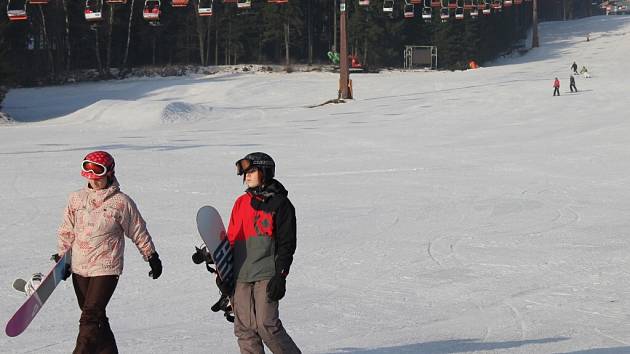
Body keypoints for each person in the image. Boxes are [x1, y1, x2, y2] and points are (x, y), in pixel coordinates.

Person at [55, 150, 162, 354]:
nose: (94, 181)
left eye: (99, 177)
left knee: (90, 317)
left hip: (106, 268)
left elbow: (137, 230)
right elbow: (66, 230)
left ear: (110, 174)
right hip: (80, 267)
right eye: (90, 177)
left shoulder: (121, 202)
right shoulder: (76, 199)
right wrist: (63, 257)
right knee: (97, 319)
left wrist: (151, 256)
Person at [219, 152, 301, 354]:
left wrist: (281, 275)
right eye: (244, 172)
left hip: (267, 274)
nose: (246, 176)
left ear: (265, 172)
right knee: (245, 329)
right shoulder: (241, 202)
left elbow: (286, 244)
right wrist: (220, 267)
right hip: (241, 274)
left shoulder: (280, 204)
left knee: (267, 326)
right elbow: (231, 238)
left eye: (251, 171)